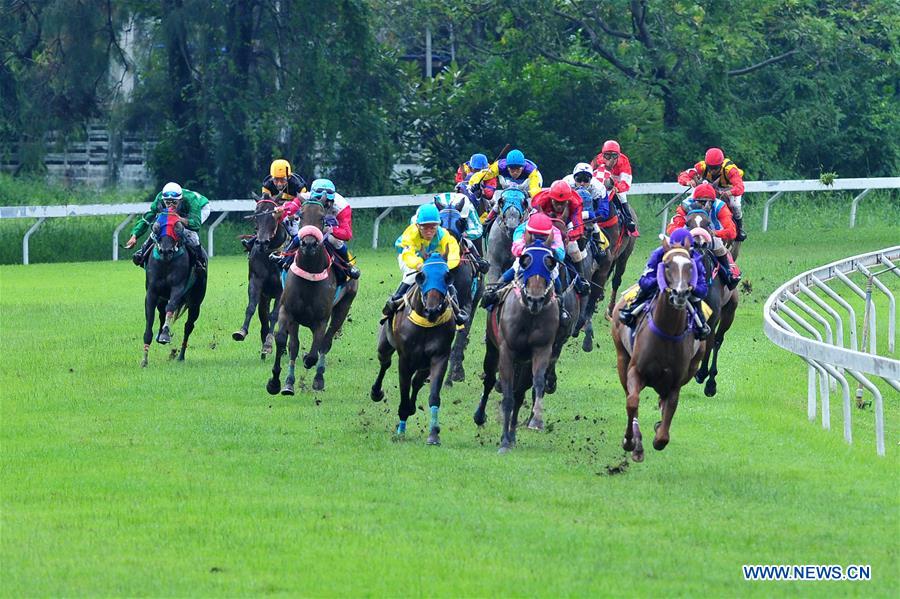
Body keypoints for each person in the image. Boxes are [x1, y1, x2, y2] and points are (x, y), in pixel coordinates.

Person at [617, 228, 710, 339]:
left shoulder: (696, 258)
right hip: (661, 286)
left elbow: (703, 290)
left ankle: (701, 323)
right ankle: (632, 309)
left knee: (696, 298)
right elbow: (644, 281)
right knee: (644, 290)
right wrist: (660, 280)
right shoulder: (658, 254)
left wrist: (692, 287)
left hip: (685, 289)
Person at [383, 203, 467, 326]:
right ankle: (395, 299)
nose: (429, 232)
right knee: (413, 275)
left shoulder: (443, 234)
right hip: (408, 255)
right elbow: (408, 255)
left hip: (431, 259)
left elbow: (453, 252)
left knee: (443, 277)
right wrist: (419, 265)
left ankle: (456, 310)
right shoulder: (411, 233)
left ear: (438, 225)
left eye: (432, 228)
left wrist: (444, 267)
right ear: (417, 226)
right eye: (424, 228)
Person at [481, 212, 571, 323]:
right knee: (513, 269)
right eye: (535, 234)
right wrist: (526, 248)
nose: (539, 237)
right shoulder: (522, 228)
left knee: (555, 276)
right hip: (527, 259)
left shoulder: (555, 232)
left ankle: (561, 307)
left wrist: (551, 250)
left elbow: (561, 254)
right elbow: (515, 248)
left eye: (543, 236)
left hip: (546, 262)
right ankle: (495, 292)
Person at [273, 178, 360, 280]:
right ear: (311, 195)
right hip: (312, 225)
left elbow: (347, 233)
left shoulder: (342, 207)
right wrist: (281, 211)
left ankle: (347, 265)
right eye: (318, 199)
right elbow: (291, 209)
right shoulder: (304, 197)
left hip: (330, 226)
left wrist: (331, 230)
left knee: (334, 240)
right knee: (300, 233)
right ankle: (284, 255)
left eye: (327, 201)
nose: (324, 203)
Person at [667, 182, 741, 289]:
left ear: (713, 201)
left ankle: (729, 274)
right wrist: (683, 235)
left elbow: (732, 231)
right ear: (694, 200)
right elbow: (672, 227)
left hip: (711, 235)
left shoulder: (720, 206)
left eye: (708, 202)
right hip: (688, 236)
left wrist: (714, 233)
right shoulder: (685, 206)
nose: (704, 205)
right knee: (669, 247)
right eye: (701, 201)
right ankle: (657, 273)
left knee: (719, 245)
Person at [126, 182, 210, 270]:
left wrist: (180, 219)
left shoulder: (191, 200)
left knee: (188, 232)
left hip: (201, 208)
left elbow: (195, 224)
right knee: (158, 228)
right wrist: (134, 235)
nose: (171, 205)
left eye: (174, 202)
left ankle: (200, 261)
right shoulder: (159, 199)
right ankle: (142, 252)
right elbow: (147, 219)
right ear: (163, 200)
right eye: (167, 202)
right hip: (181, 209)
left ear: (180, 200)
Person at [531, 180, 590, 295]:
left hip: (566, 225)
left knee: (573, 248)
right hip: (544, 225)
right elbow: (534, 222)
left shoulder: (575, 204)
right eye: (556, 202)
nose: (559, 206)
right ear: (551, 199)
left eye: (562, 203)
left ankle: (581, 279)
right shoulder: (541, 201)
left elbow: (578, 228)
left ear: (568, 201)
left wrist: (567, 236)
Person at [678, 147, 747, 241]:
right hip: (709, 188)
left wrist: (728, 192)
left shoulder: (730, 170)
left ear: (721, 164)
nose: (712, 171)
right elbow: (683, 175)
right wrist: (688, 181)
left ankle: (739, 229)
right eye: (710, 167)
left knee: (735, 205)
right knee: (693, 200)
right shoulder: (701, 166)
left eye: (715, 168)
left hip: (729, 188)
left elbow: (740, 187)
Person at [243, 158, 308, 251]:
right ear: (272, 177)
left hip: (294, 209)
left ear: (288, 177)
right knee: (265, 219)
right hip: (276, 208)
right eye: (276, 180)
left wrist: (289, 212)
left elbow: (301, 204)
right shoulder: (267, 185)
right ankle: (255, 240)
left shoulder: (299, 185)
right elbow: (265, 204)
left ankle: (296, 244)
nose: (279, 184)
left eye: (282, 180)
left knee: (291, 223)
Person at [467, 149, 543, 222]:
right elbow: (483, 174)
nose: (515, 172)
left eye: (518, 169)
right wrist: (473, 184)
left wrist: (532, 198)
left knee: (529, 203)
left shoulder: (532, 171)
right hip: (510, 183)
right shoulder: (499, 166)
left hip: (528, 185)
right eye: (512, 169)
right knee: (504, 199)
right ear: (507, 167)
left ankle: (537, 219)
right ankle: (487, 221)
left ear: (523, 167)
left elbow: (535, 190)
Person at [432, 191, 490, 273]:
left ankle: (478, 261)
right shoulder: (431, 208)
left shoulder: (468, 207)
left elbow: (478, 228)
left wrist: (465, 234)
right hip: (437, 237)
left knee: (468, 242)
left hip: (460, 236)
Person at [592, 140, 638, 236]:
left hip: (616, 185)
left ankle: (629, 220)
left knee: (622, 196)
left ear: (618, 156)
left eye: (614, 156)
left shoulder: (624, 161)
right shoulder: (597, 160)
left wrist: (617, 188)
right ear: (602, 155)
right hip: (600, 185)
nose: (610, 159)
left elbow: (626, 180)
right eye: (607, 156)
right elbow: (590, 174)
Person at [564, 162, 610, 256]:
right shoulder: (565, 183)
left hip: (591, 211)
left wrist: (590, 215)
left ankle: (600, 245)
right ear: (574, 178)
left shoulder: (599, 188)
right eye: (579, 179)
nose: (582, 183)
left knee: (593, 224)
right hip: (570, 210)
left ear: (591, 179)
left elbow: (604, 212)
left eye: (586, 180)